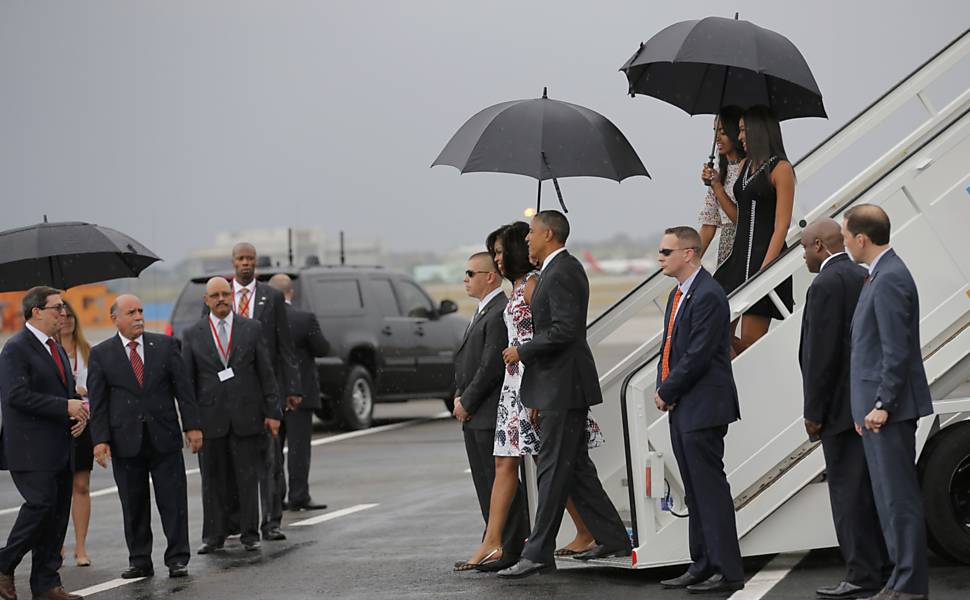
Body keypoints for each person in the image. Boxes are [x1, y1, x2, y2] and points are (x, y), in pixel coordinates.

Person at [498, 211, 629, 579]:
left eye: (532, 235)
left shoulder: (564, 271)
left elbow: (566, 331)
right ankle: (614, 537)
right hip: (556, 384)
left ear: (550, 235)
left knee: (552, 470)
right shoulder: (553, 271)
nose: (527, 241)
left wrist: (522, 351)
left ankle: (538, 553)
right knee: (576, 472)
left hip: (564, 384)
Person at [843, 204, 932, 600]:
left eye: (846, 236)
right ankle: (899, 581)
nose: (844, 242)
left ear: (861, 239)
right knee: (887, 500)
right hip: (875, 409)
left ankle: (909, 585)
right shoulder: (879, 274)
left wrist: (883, 403)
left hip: (887, 411)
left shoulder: (890, 278)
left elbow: (896, 351)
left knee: (899, 499)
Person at [799, 219, 891, 599]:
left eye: (804, 248)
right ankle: (880, 565)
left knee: (847, 495)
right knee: (868, 491)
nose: (803, 255)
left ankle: (861, 574)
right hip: (861, 403)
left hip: (836, 410)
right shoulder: (862, 275)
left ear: (819, 245)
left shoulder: (824, 284)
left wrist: (813, 412)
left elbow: (821, 356)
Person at [87, 294, 203, 579]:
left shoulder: (164, 345)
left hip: (164, 437)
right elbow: (98, 402)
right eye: (131, 312)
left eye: (140, 311)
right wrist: (99, 440)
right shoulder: (101, 354)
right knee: (133, 503)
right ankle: (140, 560)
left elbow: (184, 390)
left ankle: (177, 558)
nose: (138, 316)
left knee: (173, 501)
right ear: (115, 318)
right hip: (125, 441)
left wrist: (193, 426)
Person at [654, 226, 744, 594]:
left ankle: (727, 570)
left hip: (703, 405)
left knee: (710, 490)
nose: (659, 257)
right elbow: (672, 349)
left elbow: (699, 354)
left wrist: (667, 390)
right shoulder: (680, 294)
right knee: (694, 490)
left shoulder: (708, 294)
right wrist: (668, 389)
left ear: (689, 253)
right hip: (685, 404)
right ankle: (702, 563)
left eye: (665, 251)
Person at [183, 277, 283, 554]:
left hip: (247, 416)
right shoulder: (193, 333)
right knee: (212, 480)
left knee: (247, 478)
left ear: (232, 296)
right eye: (214, 295)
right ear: (206, 300)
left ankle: (250, 533)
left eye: (225, 294)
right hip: (210, 419)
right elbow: (187, 384)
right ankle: (214, 536)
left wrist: (273, 411)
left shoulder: (252, 328)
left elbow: (266, 373)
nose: (221, 299)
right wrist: (191, 425)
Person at [0, 286, 88, 600]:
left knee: (56, 515)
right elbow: (16, 395)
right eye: (57, 308)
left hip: (60, 446)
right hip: (30, 448)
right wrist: (64, 406)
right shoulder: (16, 348)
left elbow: (62, 394)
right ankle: (4, 562)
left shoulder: (56, 348)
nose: (63, 313)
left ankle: (46, 584)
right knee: (41, 506)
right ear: (36, 311)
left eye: (64, 307)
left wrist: (77, 411)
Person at [451, 246, 526, 573]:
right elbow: (469, 364)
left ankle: (508, 547)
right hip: (475, 410)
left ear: (490, 277)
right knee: (486, 484)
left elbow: (490, 367)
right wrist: (458, 395)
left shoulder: (498, 311)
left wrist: (467, 401)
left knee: (495, 482)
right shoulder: (484, 309)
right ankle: (495, 541)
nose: (465, 280)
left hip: (487, 411)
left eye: (471, 274)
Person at [228, 243, 300, 542]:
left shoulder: (270, 297)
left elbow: (285, 346)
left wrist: (291, 388)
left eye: (251, 259)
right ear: (233, 262)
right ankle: (236, 523)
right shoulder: (220, 297)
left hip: (266, 390)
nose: (246, 264)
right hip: (230, 394)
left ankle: (271, 521)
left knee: (270, 461)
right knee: (234, 464)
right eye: (241, 259)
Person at [713, 105, 795, 355]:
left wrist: (765, 271)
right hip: (737, 262)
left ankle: (747, 384)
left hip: (763, 260)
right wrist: (716, 185)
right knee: (715, 331)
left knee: (750, 344)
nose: (739, 137)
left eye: (742, 130)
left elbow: (782, 224)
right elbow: (741, 217)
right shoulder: (747, 165)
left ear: (758, 130)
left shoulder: (781, 169)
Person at [267, 274, 330, 512]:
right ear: (290, 293)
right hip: (300, 392)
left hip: (272, 393)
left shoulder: (260, 321)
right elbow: (323, 348)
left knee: (274, 449)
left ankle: (275, 497)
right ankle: (299, 495)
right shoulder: (304, 319)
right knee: (298, 448)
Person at [57, 301, 94, 567]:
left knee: (80, 486)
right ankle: (55, 545)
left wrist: (85, 399)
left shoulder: (88, 351)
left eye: (71, 316)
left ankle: (80, 548)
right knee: (57, 488)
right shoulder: (47, 350)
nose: (67, 319)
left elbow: (100, 389)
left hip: (83, 421)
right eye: (62, 314)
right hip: (56, 422)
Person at [699, 106, 745, 267]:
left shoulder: (749, 168)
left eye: (723, 132)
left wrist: (717, 187)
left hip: (744, 243)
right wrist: (691, 263)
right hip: (726, 246)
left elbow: (741, 220)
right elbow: (709, 224)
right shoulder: (718, 174)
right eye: (715, 132)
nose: (717, 138)